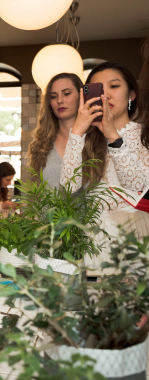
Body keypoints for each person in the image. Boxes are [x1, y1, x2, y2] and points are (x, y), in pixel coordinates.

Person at [61, 62, 149, 267]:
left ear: (131, 95)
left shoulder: (144, 135)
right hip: (95, 245)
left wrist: (112, 135)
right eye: (98, 89)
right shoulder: (85, 140)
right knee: (95, 297)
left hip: (136, 243)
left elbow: (136, 186)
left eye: (114, 86)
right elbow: (68, 190)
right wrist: (76, 133)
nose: (105, 95)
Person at [27, 73, 85, 188]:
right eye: (53, 96)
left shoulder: (95, 140)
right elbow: (35, 193)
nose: (59, 100)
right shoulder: (42, 144)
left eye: (66, 94)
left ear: (81, 95)